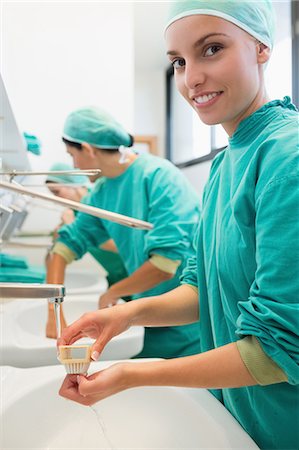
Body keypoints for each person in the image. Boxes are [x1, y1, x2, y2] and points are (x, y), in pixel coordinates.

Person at [58, 1, 299, 449]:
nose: (191, 78)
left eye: (212, 49)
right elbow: (201, 289)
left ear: (262, 47)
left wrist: (134, 374)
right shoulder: (227, 162)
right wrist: (126, 314)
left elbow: (280, 350)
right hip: (240, 414)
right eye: (178, 62)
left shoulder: (288, 155)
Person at [47, 106, 202, 359]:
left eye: (71, 155)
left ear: (87, 149)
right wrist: (53, 311)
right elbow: (66, 245)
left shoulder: (160, 177)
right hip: (146, 317)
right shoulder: (101, 193)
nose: (73, 164)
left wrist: (114, 291)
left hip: (189, 321)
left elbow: (165, 264)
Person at [45, 162, 129, 288]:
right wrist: (57, 240)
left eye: (57, 192)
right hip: (115, 276)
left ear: (73, 183)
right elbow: (53, 262)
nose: (56, 199)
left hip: (133, 272)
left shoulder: (99, 202)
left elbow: (120, 246)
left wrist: (73, 227)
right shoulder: (73, 213)